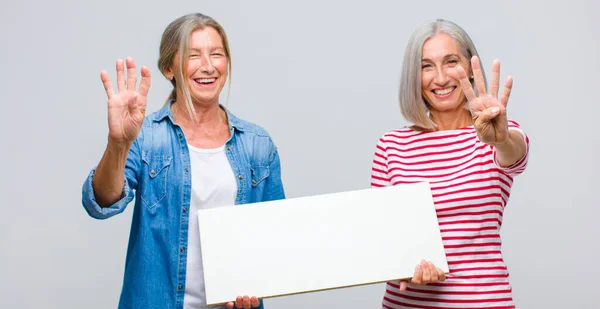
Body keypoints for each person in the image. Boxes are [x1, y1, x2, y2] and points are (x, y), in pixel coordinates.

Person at [81, 13, 285, 309]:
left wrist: (255, 287)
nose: (208, 65)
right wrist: (118, 143)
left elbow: (275, 236)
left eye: (217, 54)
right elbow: (100, 202)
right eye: (194, 55)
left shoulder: (257, 144)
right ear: (168, 68)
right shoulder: (147, 137)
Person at [370, 19, 529, 308]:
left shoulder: (497, 134)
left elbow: (514, 153)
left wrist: (500, 137)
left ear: (469, 66)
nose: (440, 78)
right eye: (426, 66)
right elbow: (381, 238)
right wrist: (401, 266)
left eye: (451, 61)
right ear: (413, 76)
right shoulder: (391, 145)